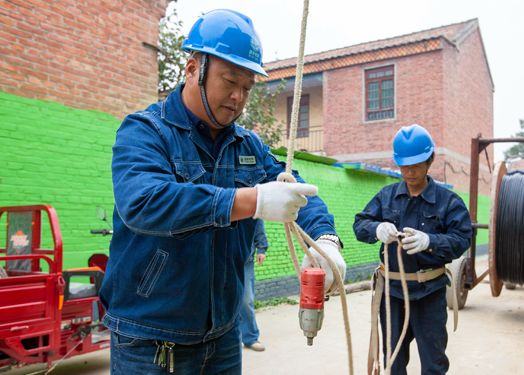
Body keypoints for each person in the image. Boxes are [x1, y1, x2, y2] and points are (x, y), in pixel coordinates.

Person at [100, 9, 346, 375]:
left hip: (224, 340)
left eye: (247, 88)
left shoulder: (249, 146)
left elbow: (295, 190)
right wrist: (253, 200)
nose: (238, 97)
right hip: (150, 342)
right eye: (229, 82)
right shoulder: (145, 132)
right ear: (192, 69)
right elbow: (145, 203)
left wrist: (325, 240)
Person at [353, 124, 472, 375]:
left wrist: (431, 241)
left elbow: (463, 238)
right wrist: (376, 229)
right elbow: (359, 225)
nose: (410, 171)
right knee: (393, 361)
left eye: (416, 164)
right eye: (404, 165)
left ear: (430, 160)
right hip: (392, 293)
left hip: (430, 293)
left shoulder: (449, 201)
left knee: (434, 363)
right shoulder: (386, 197)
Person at [240, 218, 268, 352]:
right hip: (221, 257)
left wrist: (261, 248)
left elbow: (257, 221)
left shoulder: (248, 198)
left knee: (247, 300)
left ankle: (250, 338)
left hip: (246, 259)